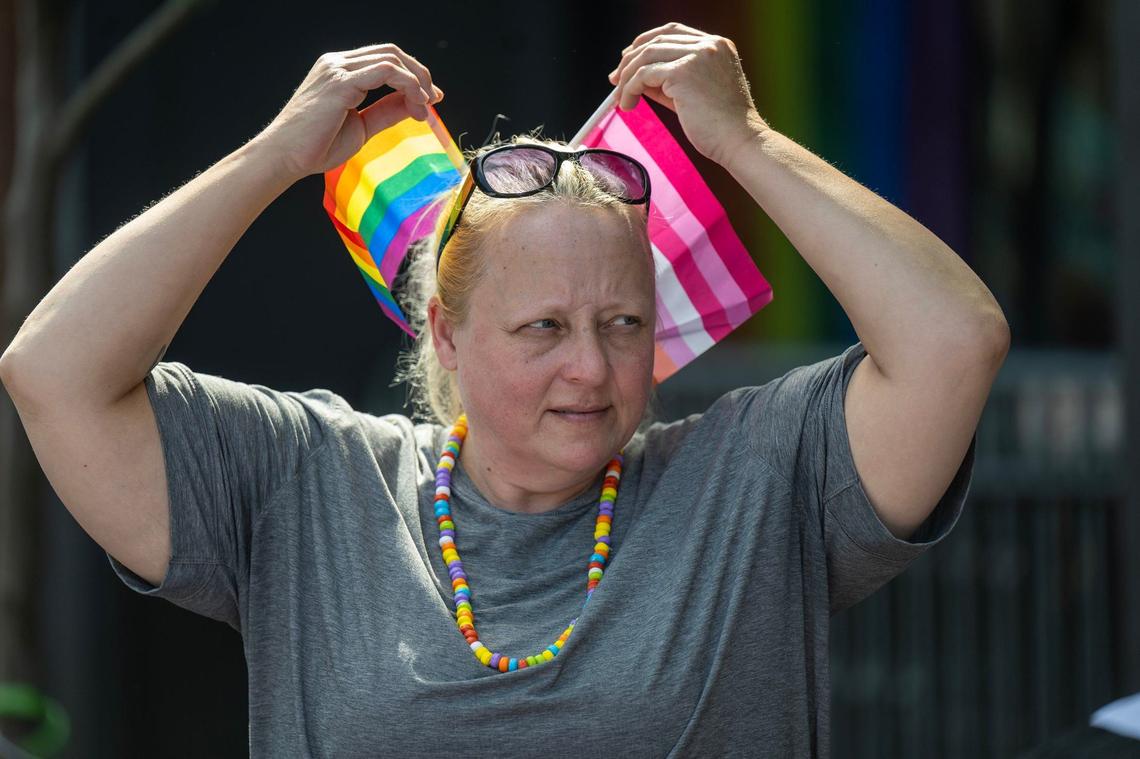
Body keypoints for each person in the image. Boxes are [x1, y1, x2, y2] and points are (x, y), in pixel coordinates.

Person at [0, 21, 1009, 758]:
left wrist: (745, 139)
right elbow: (52, 371)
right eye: (544, 329)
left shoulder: (757, 479)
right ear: (444, 330)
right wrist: (273, 159)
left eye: (623, 323)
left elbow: (954, 342)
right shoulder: (305, 480)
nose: (593, 367)